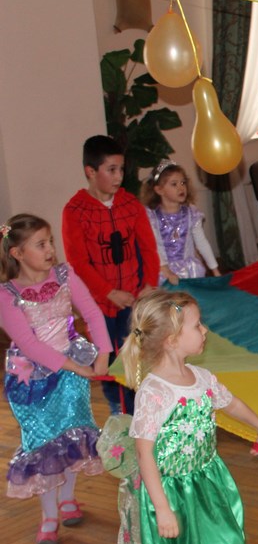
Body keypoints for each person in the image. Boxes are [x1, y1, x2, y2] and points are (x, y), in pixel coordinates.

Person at [113, 289, 258, 544]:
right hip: (170, 491)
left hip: (206, 481)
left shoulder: (200, 377)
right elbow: (145, 453)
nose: (205, 331)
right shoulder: (154, 391)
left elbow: (229, 402)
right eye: (198, 325)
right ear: (171, 340)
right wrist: (162, 508)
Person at [1, 213, 113, 544]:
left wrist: (103, 354)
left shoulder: (65, 275)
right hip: (33, 381)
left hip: (70, 377)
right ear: (18, 253)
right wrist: (75, 366)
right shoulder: (7, 294)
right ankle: (49, 516)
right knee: (42, 446)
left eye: (50, 241)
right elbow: (30, 344)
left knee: (72, 438)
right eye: (41, 244)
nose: (51, 249)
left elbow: (92, 313)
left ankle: (67, 499)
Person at [63, 135, 160, 415]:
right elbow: (78, 263)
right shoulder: (75, 211)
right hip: (98, 305)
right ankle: (119, 410)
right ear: (91, 172)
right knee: (108, 358)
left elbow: (148, 248)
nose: (119, 176)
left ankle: (142, 407)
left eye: (121, 169)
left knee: (135, 354)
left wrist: (149, 284)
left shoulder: (131, 205)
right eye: (111, 169)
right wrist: (108, 292)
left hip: (133, 298)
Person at [141, 161, 221, 285]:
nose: (181, 188)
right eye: (174, 184)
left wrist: (215, 270)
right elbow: (154, 247)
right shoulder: (152, 217)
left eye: (183, 183)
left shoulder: (191, 213)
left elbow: (202, 242)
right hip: (163, 270)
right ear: (159, 190)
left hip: (190, 271)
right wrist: (166, 272)